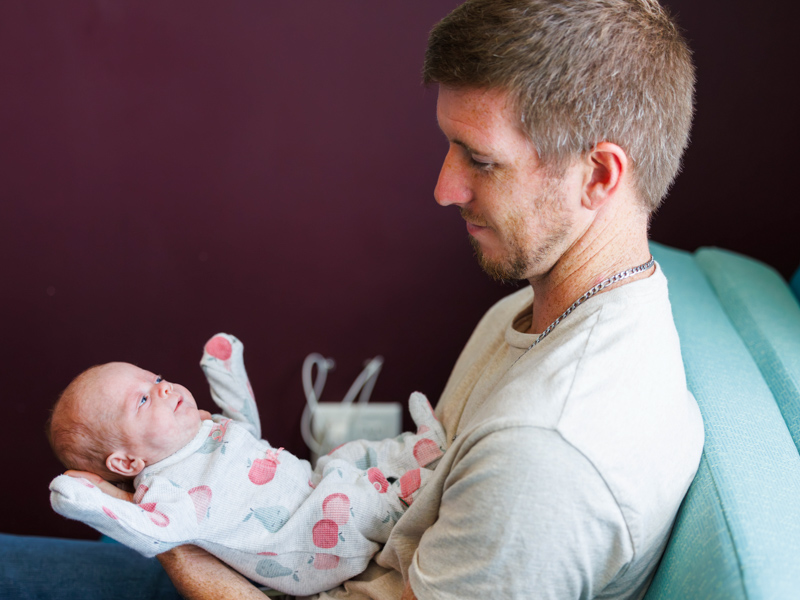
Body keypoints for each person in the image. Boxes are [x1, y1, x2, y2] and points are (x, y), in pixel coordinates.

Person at [0, 1, 704, 598]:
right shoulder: (535, 313)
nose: (444, 188)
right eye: (449, 147)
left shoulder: (547, 456)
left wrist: (176, 542)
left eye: (481, 159)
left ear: (599, 175)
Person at [47, 333, 446, 597]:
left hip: (309, 488)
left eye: (155, 380)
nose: (162, 387)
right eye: (143, 401)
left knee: (343, 456)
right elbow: (153, 536)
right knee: (346, 502)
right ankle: (406, 495)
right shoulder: (165, 491)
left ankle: (415, 450)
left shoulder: (201, 431)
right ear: (128, 460)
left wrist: (227, 374)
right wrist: (94, 504)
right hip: (307, 546)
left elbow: (247, 433)